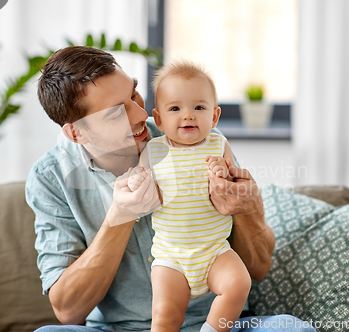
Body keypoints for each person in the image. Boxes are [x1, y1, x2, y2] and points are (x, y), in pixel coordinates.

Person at [26, 45, 316, 332]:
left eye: (134, 94)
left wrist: (247, 209)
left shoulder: (197, 138)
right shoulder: (50, 177)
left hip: (220, 324)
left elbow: (259, 270)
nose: (141, 115)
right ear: (76, 132)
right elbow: (67, 310)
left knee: (292, 329)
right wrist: (120, 217)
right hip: (117, 328)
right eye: (116, 114)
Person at [126, 62, 250, 332]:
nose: (188, 116)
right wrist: (137, 180)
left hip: (215, 250)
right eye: (175, 108)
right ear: (158, 119)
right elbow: (140, 180)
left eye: (199, 107)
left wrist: (223, 173)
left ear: (214, 116)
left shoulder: (219, 144)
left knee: (239, 284)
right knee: (165, 314)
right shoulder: (153, 149)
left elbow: (233, 188)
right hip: (171, 256)